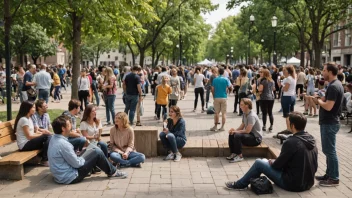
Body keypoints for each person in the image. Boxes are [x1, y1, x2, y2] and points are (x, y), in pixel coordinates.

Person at [225, 112, 318, 192]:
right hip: (308, 183)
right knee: (265, 162)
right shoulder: (311, 139)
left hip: (292, 184)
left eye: (287, 122)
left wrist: (272, 162)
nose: (286, 124)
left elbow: (277, 165)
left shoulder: (291, 142)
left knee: (259, 163)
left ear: (292, 126)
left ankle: (239, 185)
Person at [48, 115, 128, 184]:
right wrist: (84, 157)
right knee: (97, 152)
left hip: (60, 176)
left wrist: (84, 154)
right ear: (63, 128)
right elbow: (77, 164)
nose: (71, 127)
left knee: (91, 150)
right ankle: (113, 172)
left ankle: (108, 168)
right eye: (69, 125)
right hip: (70, 177)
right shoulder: (64, 144)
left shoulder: (54, 138)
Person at [312, 63, 344, 187]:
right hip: (329, 122)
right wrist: (320, 98)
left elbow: (329, 106)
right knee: (328, 150)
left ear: (330, 72)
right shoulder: (334, 84)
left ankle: (334, 178)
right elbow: (328, 100)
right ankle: (329, 174)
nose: (322, 72)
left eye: (324, 70)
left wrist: (319, 101)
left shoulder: (334, 86)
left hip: (330, 122)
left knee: (330, 151)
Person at [14, 101, 52, 166]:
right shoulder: (24, 120)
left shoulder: (29, 118)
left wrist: (43, 132)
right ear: (28, 108)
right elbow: (29, 136)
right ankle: (44, 160)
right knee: (47, 137)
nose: (35, 109)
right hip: (24, 145)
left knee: (49, 137)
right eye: (33, 108)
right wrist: (42, 134)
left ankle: (44, 158)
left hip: (29, 142)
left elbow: (34, 132)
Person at [227, 98, 262, 163]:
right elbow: (242, 126)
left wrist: (236, 132)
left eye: (241, 105)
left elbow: (247, 131)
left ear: (247, 106)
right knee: (232, 134)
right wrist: (234, 130)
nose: (240, 106)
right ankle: (233, 153)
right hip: (249, 135)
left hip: (256, 139)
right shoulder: (244, 114)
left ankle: (240, 156)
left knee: (237, 135)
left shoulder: (251, 116)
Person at [210, 67, 232, 132]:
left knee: (216, 113)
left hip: (217, 97)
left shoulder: (215, 79)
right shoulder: (226, 79)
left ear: (218, 72)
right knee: (224, 113)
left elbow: (212, 89)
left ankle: (215, 126)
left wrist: (214, 96)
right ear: (223, 72)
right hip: (224, 97)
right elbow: (230, 87)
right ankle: (222, 127)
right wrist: (227, 91)